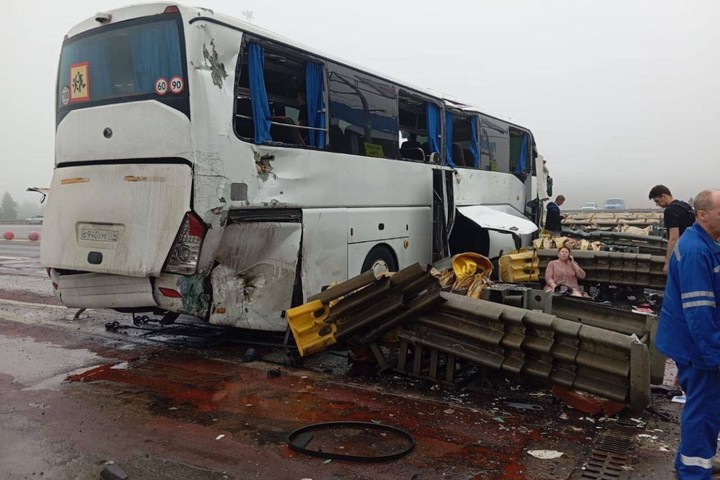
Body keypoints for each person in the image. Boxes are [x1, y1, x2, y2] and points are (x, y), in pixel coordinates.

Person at [655, 189, 720, 480]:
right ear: (702, 215)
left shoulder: (703, 242)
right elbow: (698, 312)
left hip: (692, 342)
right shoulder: (695, 251)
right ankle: (693, 471)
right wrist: (714, 355)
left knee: (704, 406)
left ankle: (693, 462)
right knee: (704, 409)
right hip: (697, 346)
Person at [648, 185, 695, 274]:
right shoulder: (685, 206)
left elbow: (673, 239)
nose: (657, 205)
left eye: (657, 201)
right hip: (694, 250)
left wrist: (667, 263)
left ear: (664, 196)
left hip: (682, 253)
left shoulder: (670, 210)